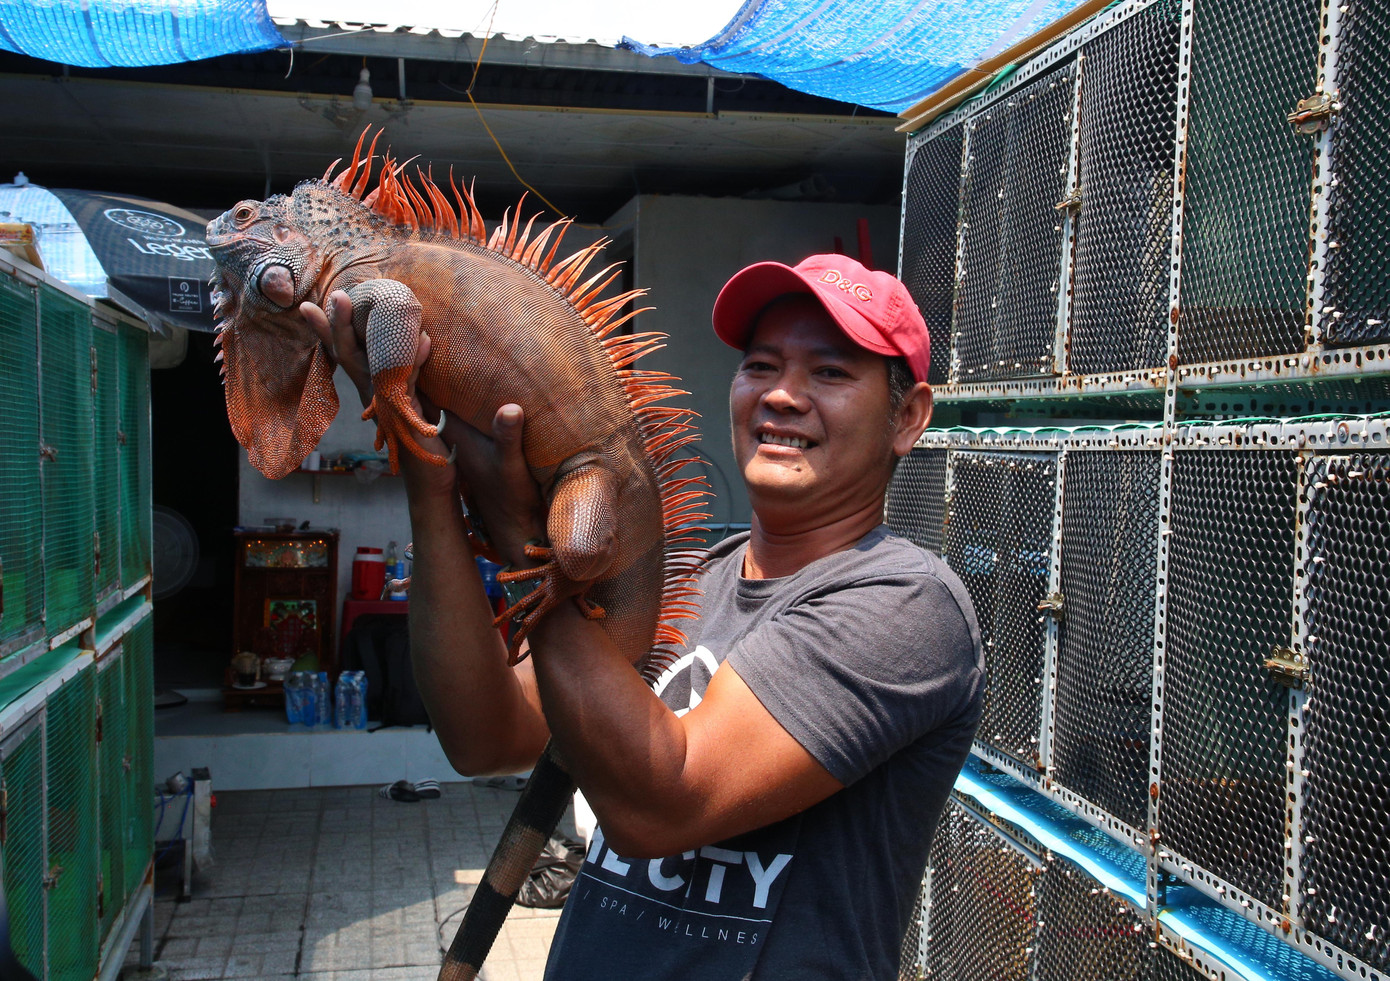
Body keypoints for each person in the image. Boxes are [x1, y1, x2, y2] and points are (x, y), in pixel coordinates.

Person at [304, 252, 984, 980]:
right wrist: (428, 479)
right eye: (760, 365)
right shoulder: (687, 581)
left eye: (830, 372)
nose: (782, 395)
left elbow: (659, 807)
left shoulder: (906, 603)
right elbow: (485, 735)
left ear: (907, 417)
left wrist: (519, 534)